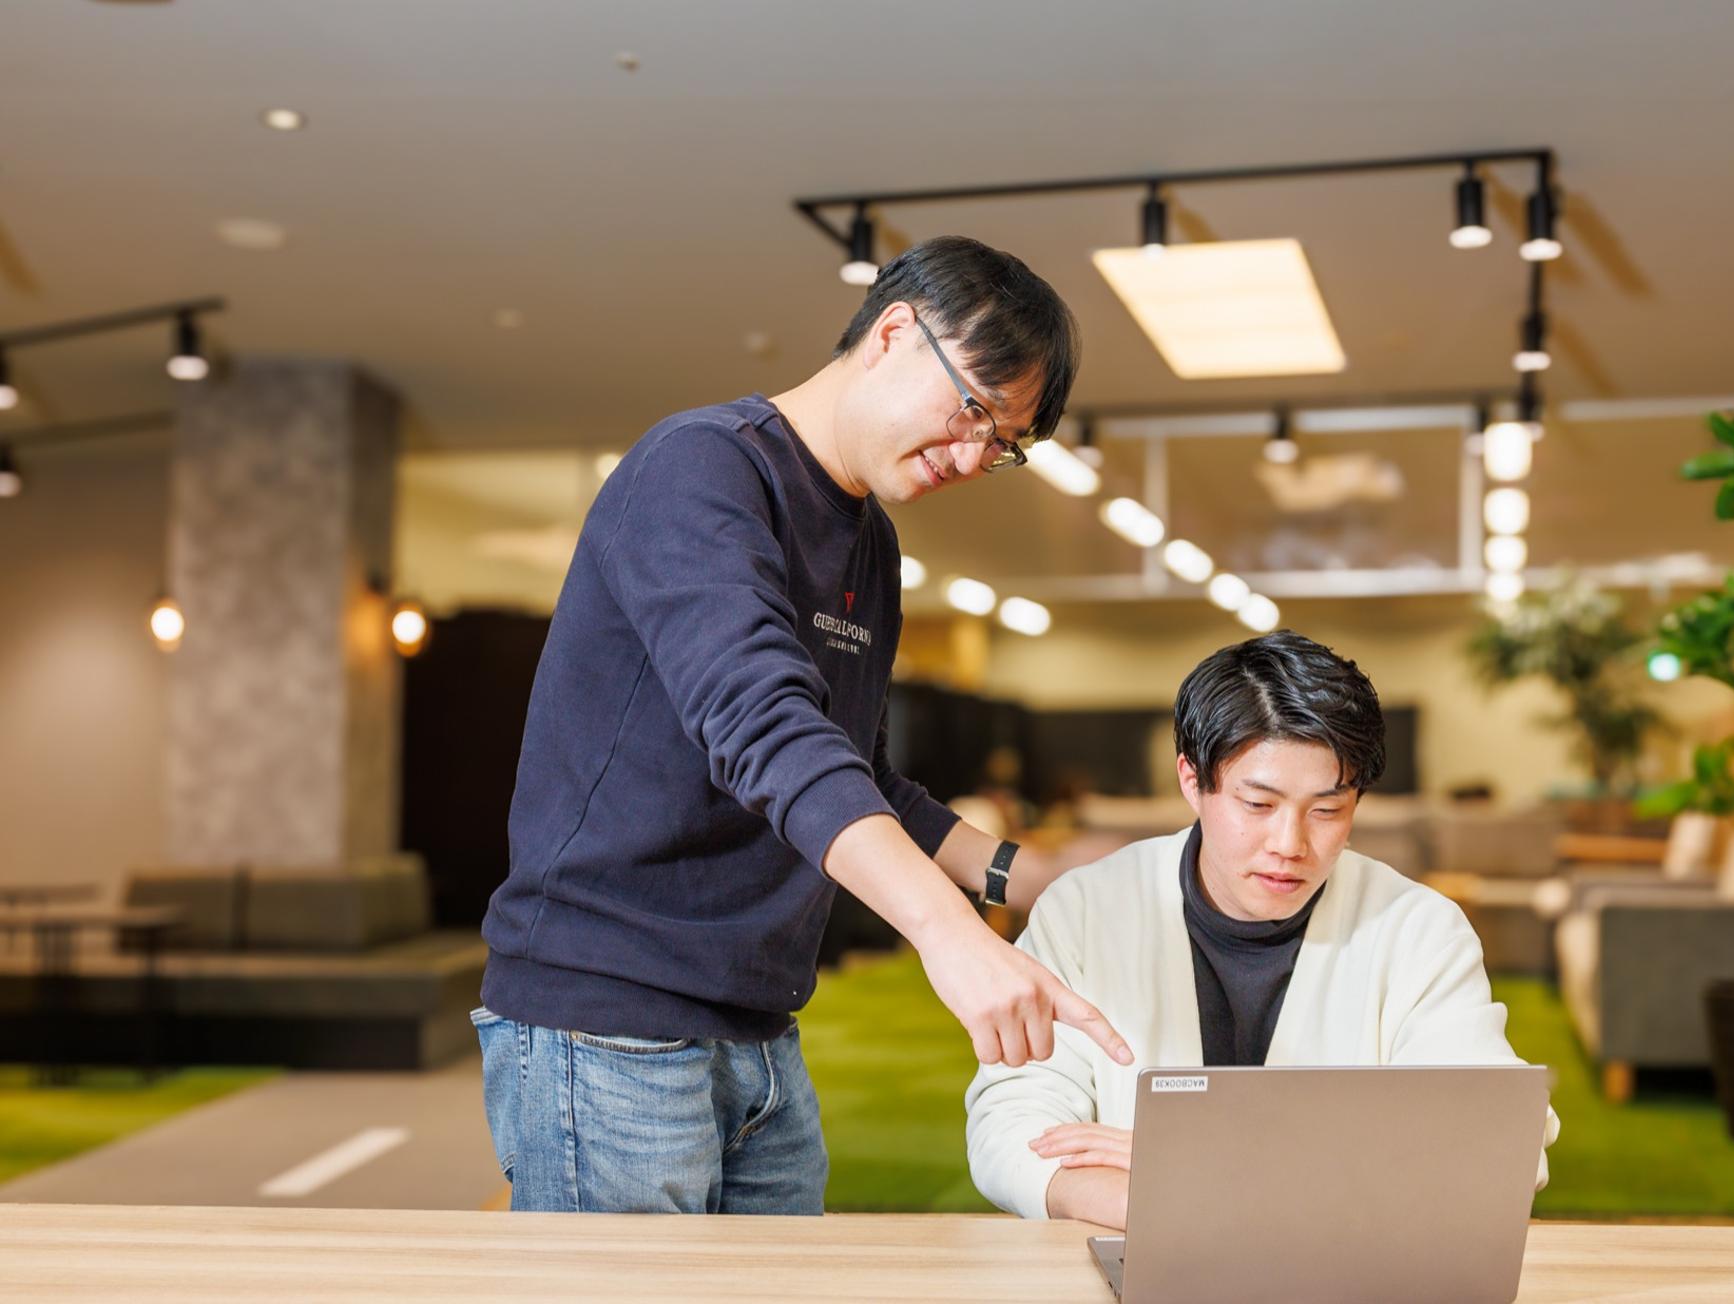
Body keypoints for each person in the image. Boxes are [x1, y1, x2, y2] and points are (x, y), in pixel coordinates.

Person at [474, 235, 1132, 1216]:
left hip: (757, 1021)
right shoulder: (700, 468)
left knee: (785, 1283)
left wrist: (1021, 873)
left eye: (1002, 444)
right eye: (973, 410)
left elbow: (858, 770)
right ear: (896, 332)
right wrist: (949, 932)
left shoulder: (870, 543)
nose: (970, 456)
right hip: (608, 1012)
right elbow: (765, 726)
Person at [964, 632, 1559, 1229]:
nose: (1290, 845)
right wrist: (1173, 1211)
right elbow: (1012, 1124)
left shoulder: (1418, 930)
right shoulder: (1087, 909)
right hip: (1138, 1250)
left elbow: (1496, 1140)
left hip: (1340, 1269)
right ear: (1192, 780)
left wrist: (1206, 1169)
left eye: (1327, 811)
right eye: (1258, 804)